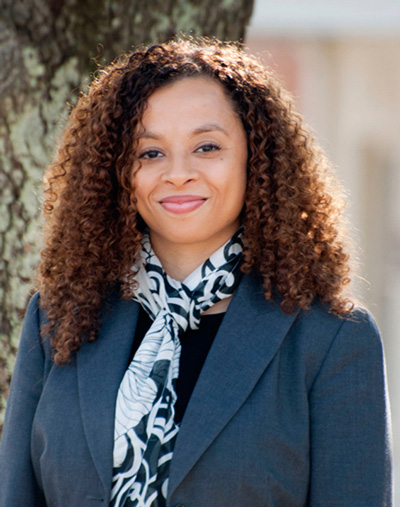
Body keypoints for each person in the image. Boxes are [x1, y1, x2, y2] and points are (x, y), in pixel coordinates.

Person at [0, 38, 392, 506]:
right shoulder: (59, 319)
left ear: (257, 160)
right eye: (150, 153)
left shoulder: (330, 341)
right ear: (117, 173)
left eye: (207, 147)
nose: (178, 173)